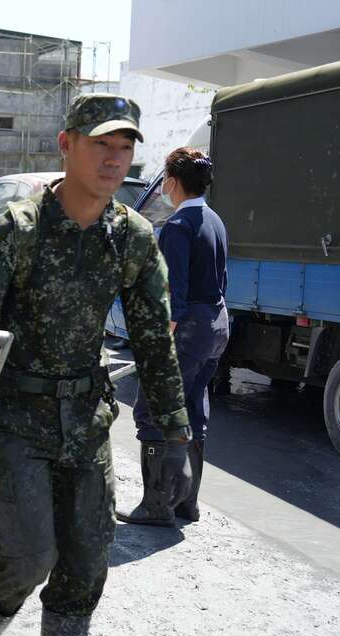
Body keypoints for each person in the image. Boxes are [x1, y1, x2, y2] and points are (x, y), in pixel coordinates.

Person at [0, 94, 191, 636]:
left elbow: (154, 341)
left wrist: (174, 435)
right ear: (66, 145)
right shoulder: (17, 232)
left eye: (125, 148)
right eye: (101, 144)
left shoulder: (131, 236)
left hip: (85, 421)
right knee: (27, 555)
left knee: (86, 564)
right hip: (15, 422)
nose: (114, 159)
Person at [118, 147, 228, 526]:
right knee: (193, 407)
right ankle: (186, 504)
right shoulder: (214, 220)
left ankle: (157, 505)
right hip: (215, 325)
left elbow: (173, 292)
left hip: (186, 329)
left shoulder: (178, 227)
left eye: (165, 178)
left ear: (173, 182)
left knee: (153, 408)